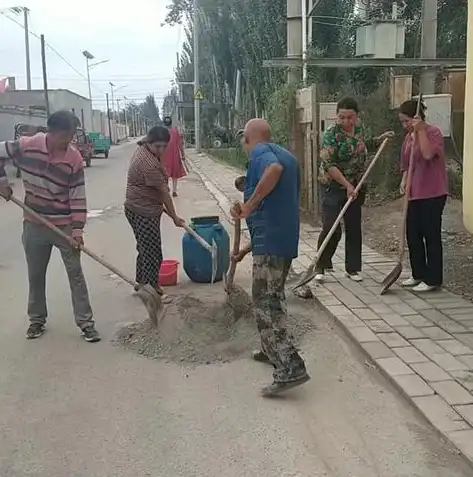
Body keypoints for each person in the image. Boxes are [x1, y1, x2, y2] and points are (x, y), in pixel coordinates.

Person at [0, 110, 100, 342]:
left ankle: (86, 323)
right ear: (55, 132)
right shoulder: (27, 146)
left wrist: (77, 229)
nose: (71, 140)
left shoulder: (73, 158)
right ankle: (36, 320)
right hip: (34, 224)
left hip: (64, 226)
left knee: (75, 275)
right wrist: (2, 181)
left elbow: (77, 196)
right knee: (36, 275)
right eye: (69, 135)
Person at [230, 118, 310, 397]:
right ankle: (270, 349)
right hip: (281, 242)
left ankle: (290, 367)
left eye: (244, 141)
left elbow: (272, 171)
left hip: (273, 245)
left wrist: (248, 206)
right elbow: (274, 212)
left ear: (249, 138)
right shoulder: (285, 154)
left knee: (265, 304)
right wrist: (245, 249)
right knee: (273, 297)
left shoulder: (262, 154)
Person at [314, 97, 394, 283]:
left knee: (353, 226)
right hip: (332, 186)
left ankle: (353, 269)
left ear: (357, 116)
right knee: (331, 227)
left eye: (350, 117)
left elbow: (364, 145)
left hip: (356, 186)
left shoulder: (360, 130)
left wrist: (380, 140)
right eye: (342, 117)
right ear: (337, 116)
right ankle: (321, 265)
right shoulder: (331, 135)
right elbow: (329, 165)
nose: (346, 122)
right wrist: (346, 185)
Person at [125, 126, 185, 303]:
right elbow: (164, 193)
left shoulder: (144, 149)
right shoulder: (148, 163)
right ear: (149, 142)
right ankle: (152, 290)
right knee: (153, 252)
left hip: (137, 207)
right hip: (143, 211)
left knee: (144, 248)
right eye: (157, 146)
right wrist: (174, 217)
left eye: (164, 146)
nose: (161, 150)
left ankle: (142, 283)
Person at [398, 99, 448, 292]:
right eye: (402, 122)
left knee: (430, 234)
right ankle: (418, 274)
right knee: (413, 234)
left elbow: (427, 155)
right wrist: (403, 180)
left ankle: (433, 279)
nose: (405, 126)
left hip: (433, 193)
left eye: (406, 121)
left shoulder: (433, 133)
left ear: (417, 118)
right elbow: (406, 164)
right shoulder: (408, 138)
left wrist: (420, 131)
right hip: (414, 193)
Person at [162, 116, 186, 197]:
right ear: (171, 123)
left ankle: (166, 189)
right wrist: (182, 155)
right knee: (174, 174)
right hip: (174, 155)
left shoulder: (161, 132)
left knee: (165, 174)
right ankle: (174, 191)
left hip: (164, 156)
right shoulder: (175, 131)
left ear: (164, 123)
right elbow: (180, 144)